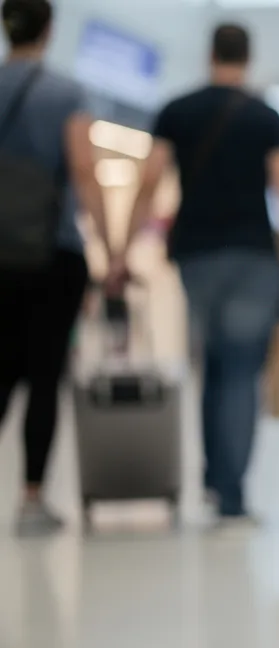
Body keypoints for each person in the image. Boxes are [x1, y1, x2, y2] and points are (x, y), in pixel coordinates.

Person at [115, 22, 279, 528]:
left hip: (198, 256)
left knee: (212, 364)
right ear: (247, 58)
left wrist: (121, 249)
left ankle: (213, 479)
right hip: (252, 257)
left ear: (210, 55)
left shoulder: (177, 110)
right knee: (240, 373)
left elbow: (149, 179)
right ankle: (230, 496)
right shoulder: (265, 116)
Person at [0, 0, 113, 537]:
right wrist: (110, 249)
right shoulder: (65, 93)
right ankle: (30, 499)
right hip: (52, 253)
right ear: (49, 29)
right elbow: (84, 173)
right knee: (44, 378)